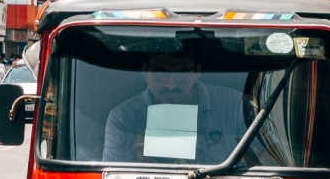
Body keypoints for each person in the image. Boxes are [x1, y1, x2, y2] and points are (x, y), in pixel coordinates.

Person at [102, 53, 248, 165]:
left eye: (181, 74)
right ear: (145, 72)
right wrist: (137, 159)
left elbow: (260, 157)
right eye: (160, 75)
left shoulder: (234, 105)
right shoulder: (124, 117)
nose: (171, 85)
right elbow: (111, 177)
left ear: (197, 72)